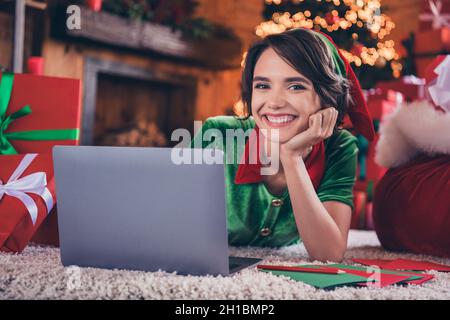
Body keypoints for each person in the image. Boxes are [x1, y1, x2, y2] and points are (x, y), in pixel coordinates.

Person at [190, 28, 375, 262]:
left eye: (296, 86)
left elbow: (328, 254)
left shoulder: (340, 147)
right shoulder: (218, 134)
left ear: (329, 98)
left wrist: (292, 157)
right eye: (263, 86)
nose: (274, 102)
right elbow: (169, 219)